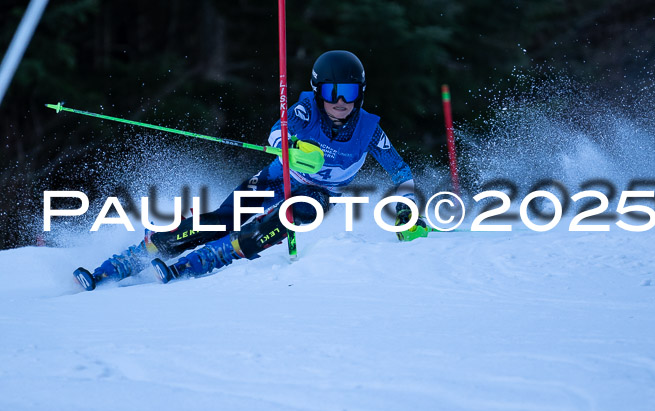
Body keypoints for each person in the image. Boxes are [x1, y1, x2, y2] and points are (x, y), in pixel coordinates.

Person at [72, 50, 429, 291]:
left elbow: (400, 171)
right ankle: (137, 256)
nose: (340, 101)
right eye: (332, 92)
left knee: (295, 211)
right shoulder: (306, 110)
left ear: (360, 94)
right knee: (221, 219)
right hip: (277, 176)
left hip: (318, 194)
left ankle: (218, 254)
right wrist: (288, 146)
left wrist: (408, 210)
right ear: (319, 91)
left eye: (349, 92)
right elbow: (278, 130)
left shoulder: (369, 130)